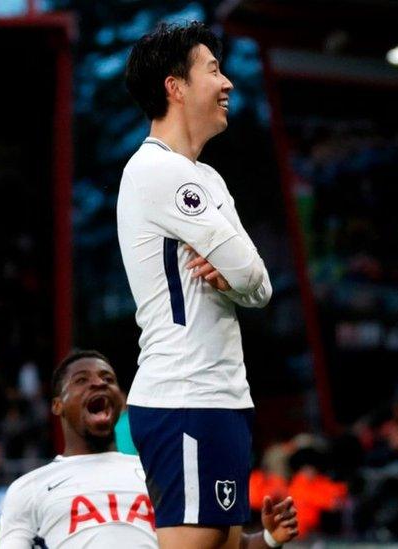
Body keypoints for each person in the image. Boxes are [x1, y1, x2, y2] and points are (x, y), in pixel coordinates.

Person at [117, 21, 273, 549]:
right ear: (174, 86)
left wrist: (239, 279)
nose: (227, 82)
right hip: (185, 398)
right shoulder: (157, 172)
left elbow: (259, 284)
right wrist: (241, 278)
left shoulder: (206, 179)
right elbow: (249, 275)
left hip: (220, 399)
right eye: (213, 70)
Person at [0, 351, 298, 548]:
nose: (99, 385)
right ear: (57, 405)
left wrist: (270, 537)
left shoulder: (156, 472)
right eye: (82, 381)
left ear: (122, 400)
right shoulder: (29, 488)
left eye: (108, 380)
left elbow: (221, 545)